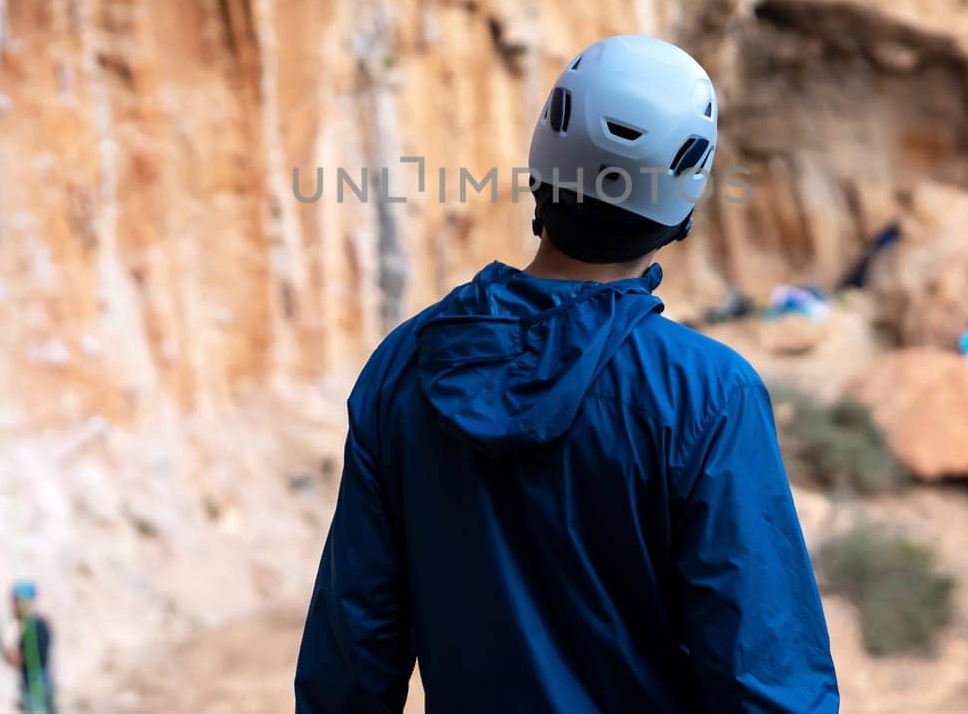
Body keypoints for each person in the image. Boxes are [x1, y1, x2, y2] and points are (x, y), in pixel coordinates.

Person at [295, 35, 838, 713]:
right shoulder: (707, 394)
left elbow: (350, 662)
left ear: (544, 162)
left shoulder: (405, 367)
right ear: (683, 198)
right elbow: (768, 679)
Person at [0, 580, 55, 714]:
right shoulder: (36, 625)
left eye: (15, 602)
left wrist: (0, 642)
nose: (12, 606)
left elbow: (18, 661)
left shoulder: (34, 628)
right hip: (37, 690)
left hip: (36, 692)